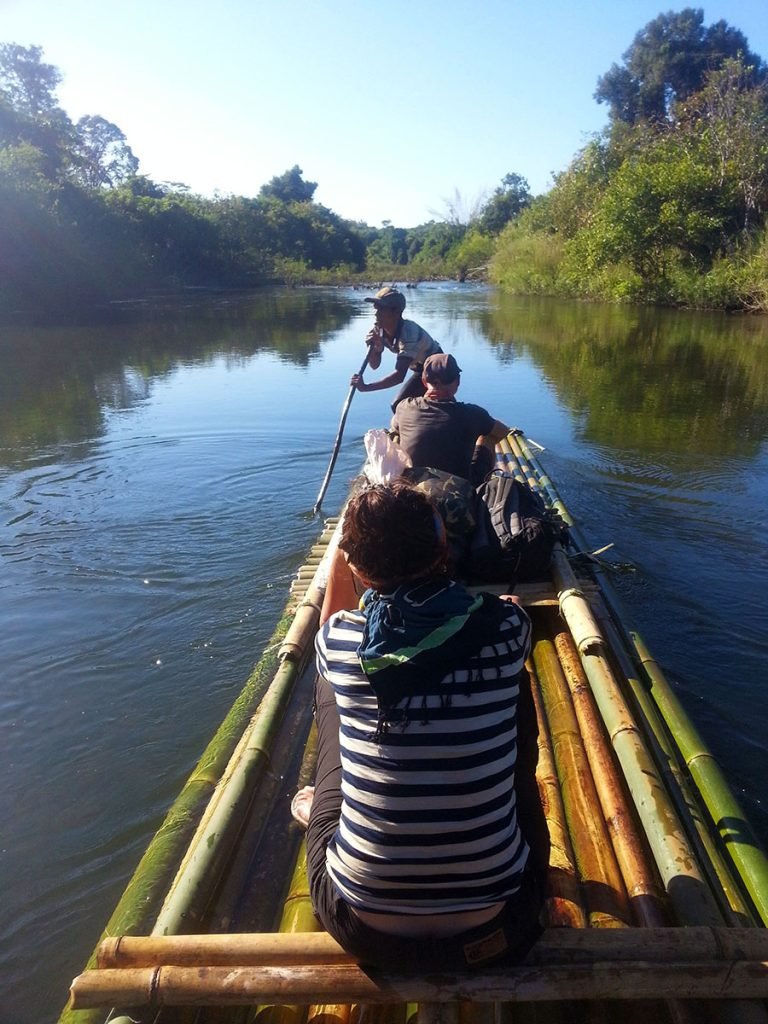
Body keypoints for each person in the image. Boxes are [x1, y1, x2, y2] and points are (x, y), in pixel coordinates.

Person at [294, 481, 548, 971]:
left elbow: (332, 623)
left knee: (330, 695)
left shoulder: (339, 642)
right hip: (501, 928)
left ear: (359, 568)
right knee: (513, 702)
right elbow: (482, 622)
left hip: (367, 933)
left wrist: (342, 554)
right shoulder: (509, 628)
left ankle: (320, 815)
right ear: (443, 550)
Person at [391, 352, 511, 485]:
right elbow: (503, 431)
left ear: (424, 382)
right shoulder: (473, 414)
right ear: (458, 381)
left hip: (413, 491)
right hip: (458, 493)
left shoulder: (405, 406)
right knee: (488, 437)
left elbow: (394, 426)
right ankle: (482, 486)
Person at [351, 287, 442, 411]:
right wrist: (375, 349)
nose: (376, 313)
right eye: (376, 308)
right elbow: (374, 365)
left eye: (382, 309)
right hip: (420, 369)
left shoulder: (409, 334)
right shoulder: (378, 329)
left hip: (438, 370)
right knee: (401, 406)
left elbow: (399, 376)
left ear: (396, 312)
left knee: (401, 405)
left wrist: (366, 387)